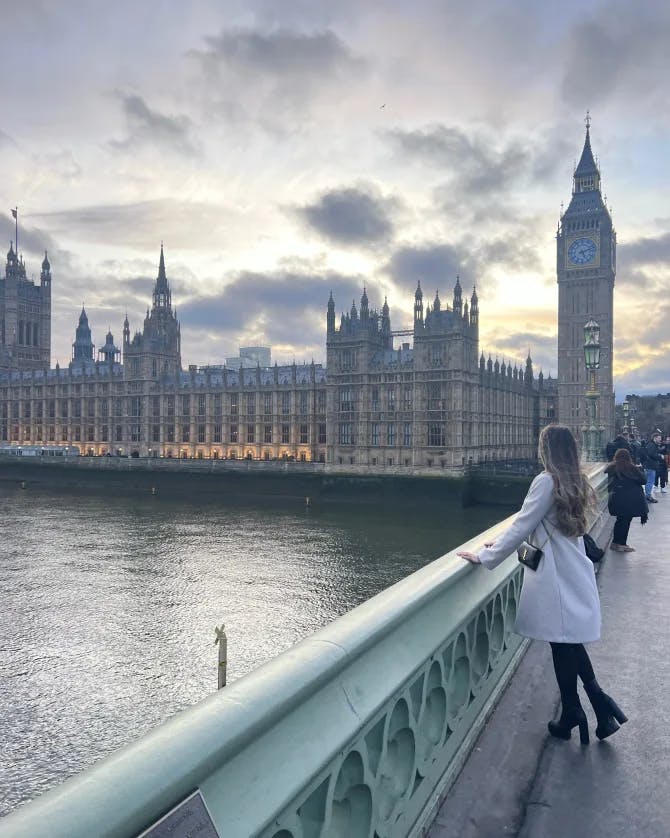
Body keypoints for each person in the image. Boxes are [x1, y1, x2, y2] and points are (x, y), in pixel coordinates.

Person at [457, 424, 627, 744]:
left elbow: (523, 524)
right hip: (573, 567)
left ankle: (582, 710)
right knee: (567, 642)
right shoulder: (575, 480)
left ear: (547, 450)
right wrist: (495, 544)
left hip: (555, 575)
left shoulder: (546, 481)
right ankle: (593, 708)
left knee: (563, 643)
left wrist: (484, 556)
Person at [605, 448, 648, 551]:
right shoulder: (631, 468)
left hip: (616, 499)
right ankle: (621, 544)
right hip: (630, 501)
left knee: (620, 521)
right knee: (625, 522)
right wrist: (640, 470)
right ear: (628, 457)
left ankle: (616, 543)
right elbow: (643, 480)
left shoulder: (612, 468)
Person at [640, 431, 664, 502]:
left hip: (649, 465)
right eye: (659, 438)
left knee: (648, 481)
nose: (660, 440)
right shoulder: (652, 445)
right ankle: (648, 496)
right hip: (650, 466)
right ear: (655, 438)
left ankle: (647, 495)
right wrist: (660, 456)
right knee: (650, 482)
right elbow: (652, 454)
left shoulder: (651, 444)